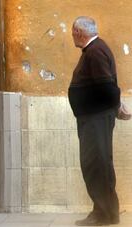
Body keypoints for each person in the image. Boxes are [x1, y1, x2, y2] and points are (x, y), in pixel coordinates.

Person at [69, 16, 120, 226]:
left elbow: (106, 86)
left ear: (80, 32)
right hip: (95, 117)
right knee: (98, 164)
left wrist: (116, 104)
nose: (72, 35)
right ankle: (106, 212)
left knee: (95, 164)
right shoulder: (94, 50)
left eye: (73, 31)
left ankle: (103, 214)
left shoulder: (96, 51)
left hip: (96, 119)